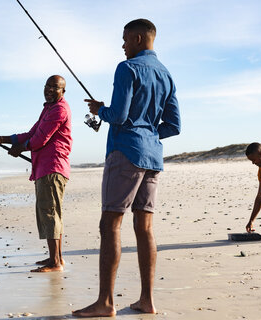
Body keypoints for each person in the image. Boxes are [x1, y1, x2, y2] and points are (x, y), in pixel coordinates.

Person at [73, 19, 181, 317]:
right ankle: (147, 300)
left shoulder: (127, 68)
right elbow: (174, 125)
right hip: (153, 158)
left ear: (136, 38)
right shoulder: (167, 74)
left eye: (124, 40)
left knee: (110, 224)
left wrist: (100, 110)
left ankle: (105, 302)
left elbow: (118, 115)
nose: (122, 46)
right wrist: (147, 133)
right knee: (144, 228)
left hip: (125, 153)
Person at [0, 75, 72, 272]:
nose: (50, 90)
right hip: (45, 167)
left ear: (62, 92)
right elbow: (30, 134)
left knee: (50, 214)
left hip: (52, 168)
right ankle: (56, 257)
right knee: (51, 213)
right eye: (47, 86)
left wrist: (20, 149)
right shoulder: (48, 109)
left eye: (55, 87)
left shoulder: (59, 109)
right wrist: (2, 139)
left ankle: (56, 262)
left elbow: (40, 139)